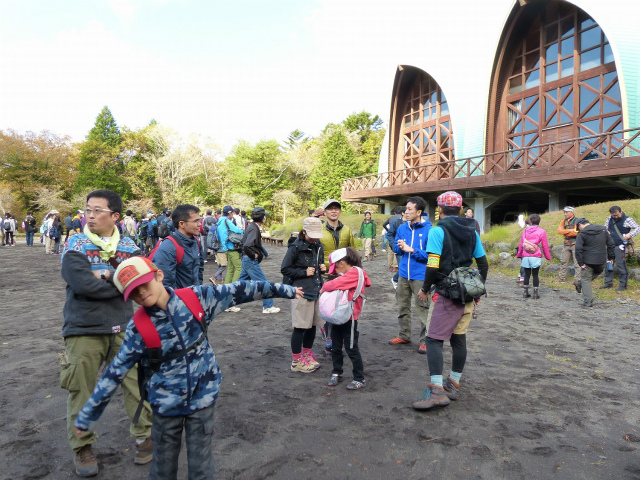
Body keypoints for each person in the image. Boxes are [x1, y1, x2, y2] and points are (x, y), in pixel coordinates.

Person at [74, 256, 302, 480]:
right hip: (165, 406)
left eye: (143, 284)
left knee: (201, 466)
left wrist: (287, 290)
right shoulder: (138, 327)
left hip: (203, 398)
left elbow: (242, 290)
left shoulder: (196, 298)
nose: (140, 293)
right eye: (132, 292)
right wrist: (88, 415)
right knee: (163, 467)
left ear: (158, 275)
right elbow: (115, 372)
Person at [59, 189, 152, 477]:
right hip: (83, 329)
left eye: (98, 210)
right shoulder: (75, 243)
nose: (90, 215)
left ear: (115, 216)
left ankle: (144, 437)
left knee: (136, 386)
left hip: (125, 327)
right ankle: (82, 447)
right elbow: (82, 284)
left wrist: (104, 274)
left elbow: (142, 282)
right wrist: (120, 280)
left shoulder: (129, 245)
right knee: (82, 391)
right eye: (88, 209)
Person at [413, 191, 489, 411]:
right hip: (466, 295)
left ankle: (437, 391)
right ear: (460, 208)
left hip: (447, 294)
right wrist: (477, 291)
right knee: (458, 338)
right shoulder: (472, 231)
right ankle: (453, 383)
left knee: (433, 339)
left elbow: (432, 265)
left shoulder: (438, 231)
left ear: (439, 209)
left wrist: (425, 289)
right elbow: (483, 265)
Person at [281, 217, 326, 373]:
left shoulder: (318, 246)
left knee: (312, 326)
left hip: (316, 290)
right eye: (311, 235)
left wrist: (322, 268)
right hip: (301, 291)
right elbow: (285, 269)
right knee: (300, 327)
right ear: (304, 232)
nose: (314, 238)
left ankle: (307, 355)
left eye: (316, 235)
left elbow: (317, 267)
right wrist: (303, 272)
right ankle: (296, 361)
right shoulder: (295, 247)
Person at [322, 247, 371, 390]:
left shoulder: (355, 272)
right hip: (339, 315)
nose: (336, 272)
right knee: (336, 346)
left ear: (342, 263)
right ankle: (336, 372)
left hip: (350, 317)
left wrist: (324, 287)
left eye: (336, 268)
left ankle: (359, 378)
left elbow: (333, 284)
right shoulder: (349, 274)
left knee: (351, 348)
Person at [389, 196, 432, 353]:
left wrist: (412, 250)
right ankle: (404, 335)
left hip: (420, 275)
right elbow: (396, 248)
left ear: (419, 212)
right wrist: (400, 246)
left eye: (409, 209)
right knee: (402, 305)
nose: (405, 212)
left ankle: (426, 341)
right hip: (403, 274)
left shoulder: (429, 230)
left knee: (423, 308)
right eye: (405, 209)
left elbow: (431, 256)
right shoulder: (402, 228)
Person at [320, 199, 355, 352]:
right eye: (330, 209)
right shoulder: (319, 230)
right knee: (328, 305)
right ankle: (329, 337)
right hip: (326, 274)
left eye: (336, 209)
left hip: (344, 274)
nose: (334, 211)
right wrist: (319, 265)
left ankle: (341, 338)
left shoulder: (347, 230)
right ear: (325, 212)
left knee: (343, 305)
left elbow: (353, 252)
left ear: (340, 212)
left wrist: (355, 270)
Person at [238, 207, 281, 314]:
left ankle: (226, 302)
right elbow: (247, 245)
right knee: (263, 283)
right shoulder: (254, 228)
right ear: (262, 217)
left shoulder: (251, 226)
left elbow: (243, 243)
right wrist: (253, 255)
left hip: (246, 260)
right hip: (250, 260)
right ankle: (268, 306)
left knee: (239, 285)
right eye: (264, 216)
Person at [152, 204, 204, 290]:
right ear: (182, 224)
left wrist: (199, 291)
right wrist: (179, 297)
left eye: (199, 221)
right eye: (196, 221)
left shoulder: (196, 242)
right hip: (178, 297)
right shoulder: (169, 246)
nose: (199, 224)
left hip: (195, 295)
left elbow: (200, 270)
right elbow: (165, 283)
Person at [575, 218, 615, 307]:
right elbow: (611, 244)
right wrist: (610, 257)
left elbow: (578, 249)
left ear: (580, 225)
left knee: (586, 280)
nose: (579, 229)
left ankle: (587, 301)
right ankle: (580, 284)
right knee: (595, 273)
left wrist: (580, 263)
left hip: (587, 261)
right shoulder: (603, 230)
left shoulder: (582, 234)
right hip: (601, 260)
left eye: (578, 227)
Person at [603, 205, 640, 292]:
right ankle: (608, 283)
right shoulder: (609, 219)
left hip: (621, 246)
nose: (615, 217)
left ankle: (623, 285)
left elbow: (638, 228)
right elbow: (604, 227)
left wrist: (630, 234)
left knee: (621, 265)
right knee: (608, 264)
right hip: (610, 245)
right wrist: (606, 231)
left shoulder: (627, 219)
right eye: (614, 215)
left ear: (621, 212)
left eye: (617, 215)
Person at [515, 214, 551, 299]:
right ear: (539, 221)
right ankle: (535, 293)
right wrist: (547, 256)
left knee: (526, 274)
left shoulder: (525, 231)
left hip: (525, 255)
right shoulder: (542, 231)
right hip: (536, 255)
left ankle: (525, 292)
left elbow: (521, 244)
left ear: (530, 221)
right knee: (535, 274)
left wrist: (519, 254)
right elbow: (545, 245)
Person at [557, 206, 581, 287]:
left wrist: (565, 231)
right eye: (564, 212)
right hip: (566, 244)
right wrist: (569, 230)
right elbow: (559, 231)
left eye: (567, 212)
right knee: (563, 261)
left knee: (577, 263)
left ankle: (577, 280)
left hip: (575, 244)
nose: (565, 214)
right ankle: (561, 278)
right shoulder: (563, 221)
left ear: (572, 212)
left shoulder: (577, 221)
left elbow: (576, 232)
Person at [383, 206, 405, 277]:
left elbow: (384, 224)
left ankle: (390, 266)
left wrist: (388, 230)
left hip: (391, 237)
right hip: (398, 238)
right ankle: (395, 267)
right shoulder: (402, 219)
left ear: (394, 212)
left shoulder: (391, 218)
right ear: (402, 212)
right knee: (397, 252)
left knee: (390, 252)